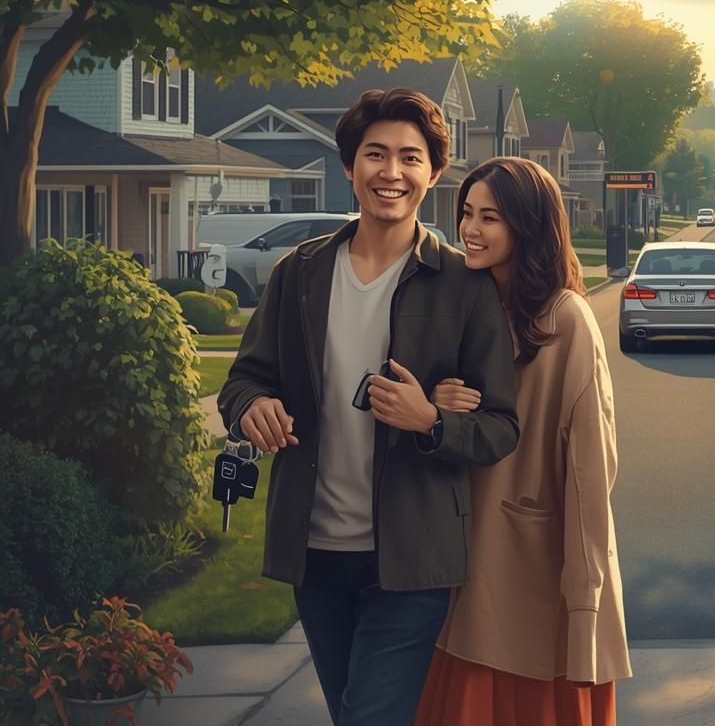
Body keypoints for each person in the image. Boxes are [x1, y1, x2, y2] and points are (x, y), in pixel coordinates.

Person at [218, 88, 521, 725]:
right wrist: (252, 408)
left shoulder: (463, 286)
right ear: (349, 166)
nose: (391, 172)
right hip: (315, 555)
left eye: (410, 158)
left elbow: (499, 427)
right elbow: (242, 381)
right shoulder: (298, 273)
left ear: (433, 174)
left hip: (412, 561)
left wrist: (431, 422)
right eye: (374, 154)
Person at [415, 156, 630, 726]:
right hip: (453, 558)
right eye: (466, 214)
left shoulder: (568, 319)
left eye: (491, 217)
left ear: (528, 226)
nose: (470, 230)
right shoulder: (462, 303)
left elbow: (592, 468)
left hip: (532, 572)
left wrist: (585, 596)